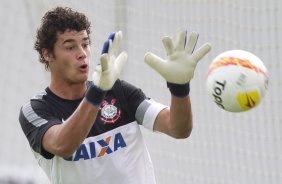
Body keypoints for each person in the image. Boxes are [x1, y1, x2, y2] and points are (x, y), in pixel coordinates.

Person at [19, 7, 211, 184]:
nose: (82, 54)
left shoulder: (118, 91)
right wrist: (97, 93)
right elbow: (63, 145)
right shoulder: (36, 110)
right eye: (70, 47)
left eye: (85, 44)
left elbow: (178, 129)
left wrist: (179, 89)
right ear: (47, 54)